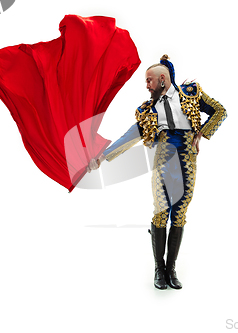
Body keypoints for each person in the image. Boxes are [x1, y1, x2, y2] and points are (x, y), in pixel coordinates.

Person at [88, 55, 227, 289]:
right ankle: (158, 269)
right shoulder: (148, 110)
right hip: (163, 161)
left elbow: (219, 111)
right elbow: (130, 136)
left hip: (187, 161)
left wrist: (201, 133)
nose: (146, 85)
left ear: (163, 79)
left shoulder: (191, 94)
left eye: (149, 80)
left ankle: (171, 269)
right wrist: (102, 157)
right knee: (161, 211)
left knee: (179, 212)